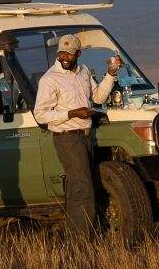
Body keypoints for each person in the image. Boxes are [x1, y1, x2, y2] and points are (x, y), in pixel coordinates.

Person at [32, 33, 121, 238]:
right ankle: (84, 238)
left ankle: (74, 237)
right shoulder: (50, 79)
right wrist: (72, 113)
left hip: (85, 135)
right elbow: (41, 114)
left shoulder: (84, 72)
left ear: (78, 54)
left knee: (76, 186)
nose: (64, 57)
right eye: (61, 53)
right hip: (67, 137)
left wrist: (110, 73)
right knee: (83, 187)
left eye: (69, 54)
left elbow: (97, 97)